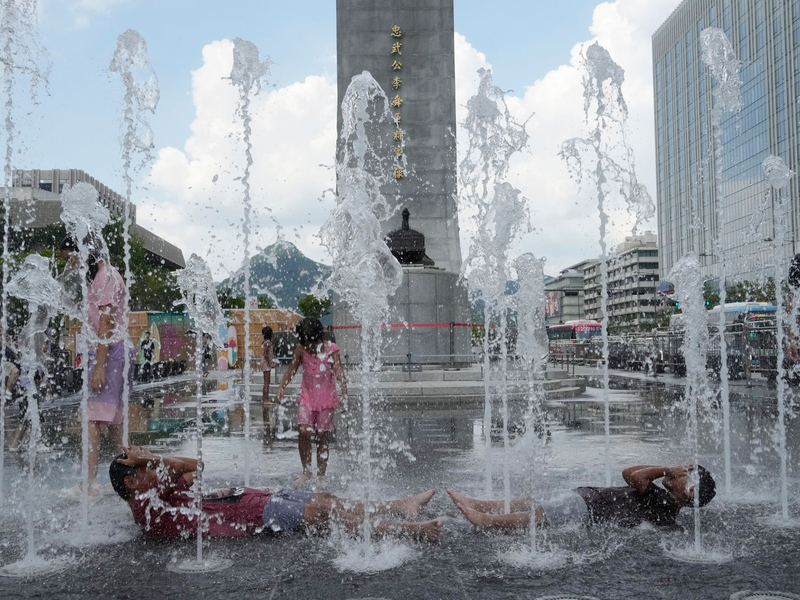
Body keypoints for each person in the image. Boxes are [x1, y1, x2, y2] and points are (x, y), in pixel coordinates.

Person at [109, 446, 441, 541]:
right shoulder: (146, 510)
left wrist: (152, 461)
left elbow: (195, 466)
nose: (152, 469)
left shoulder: (157, 493)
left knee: (328, 500)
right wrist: (151, 458)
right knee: (327, 514)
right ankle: (410, 531)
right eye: (143, 469)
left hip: (254, 498)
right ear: (131, 483)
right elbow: (189, 467)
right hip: (252, 516)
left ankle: (400, 505)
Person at [61, 234, 132, 498]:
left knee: (91, 419)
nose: (72, 265)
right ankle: (140, 478)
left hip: (110, 355)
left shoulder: (106, 277)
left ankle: (88, 485)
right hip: (111, 353)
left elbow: (106, 323)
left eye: (73, 258)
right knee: (115, 427)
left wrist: (100, 365)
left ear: (86, 253)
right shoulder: (102, 278)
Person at [448, 464, 716, 530]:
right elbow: (633, 473)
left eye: (686, 473)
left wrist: (666, 470)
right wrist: (669, 472)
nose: (678, 470)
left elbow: (632, 475)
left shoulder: (665, 503)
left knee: (538, 514)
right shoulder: (666, 503)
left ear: (689, 491)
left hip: (589, 507)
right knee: (533, 503)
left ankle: (488, 521)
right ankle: (480, 505)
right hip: (587, 502)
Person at [276, 318, 347, 488]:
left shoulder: (331, 350)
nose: (307, 346)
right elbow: (292, 368)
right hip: (307, 397)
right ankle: (306, 471)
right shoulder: (301, 349)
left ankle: (321, 474)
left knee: (322, 435)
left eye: (309, 342)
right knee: (303, 430)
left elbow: (339, 372)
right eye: (304, 342)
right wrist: (281, 386)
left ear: (318, 338)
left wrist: (344, 393)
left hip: (326, 399)